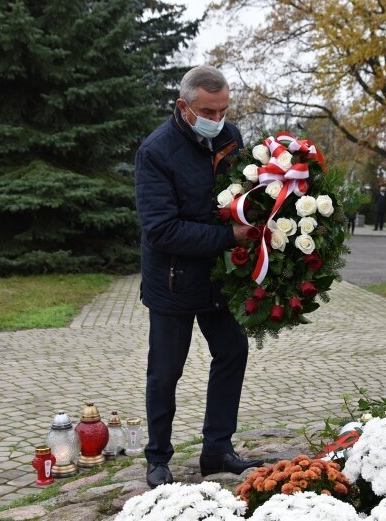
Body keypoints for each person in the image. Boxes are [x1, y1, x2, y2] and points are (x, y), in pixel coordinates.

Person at [134, 65, 264, 489]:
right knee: (165, 371)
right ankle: (158, 458)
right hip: (172, 281)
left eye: (224, 108)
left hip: (217, 277)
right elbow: (161, 230)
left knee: (232, 352)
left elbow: (243, 192)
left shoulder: (230, 137)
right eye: (209, 110)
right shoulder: (155, 152)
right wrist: (228, 236)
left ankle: (217, 449)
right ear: (184, 108)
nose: (218, 116)